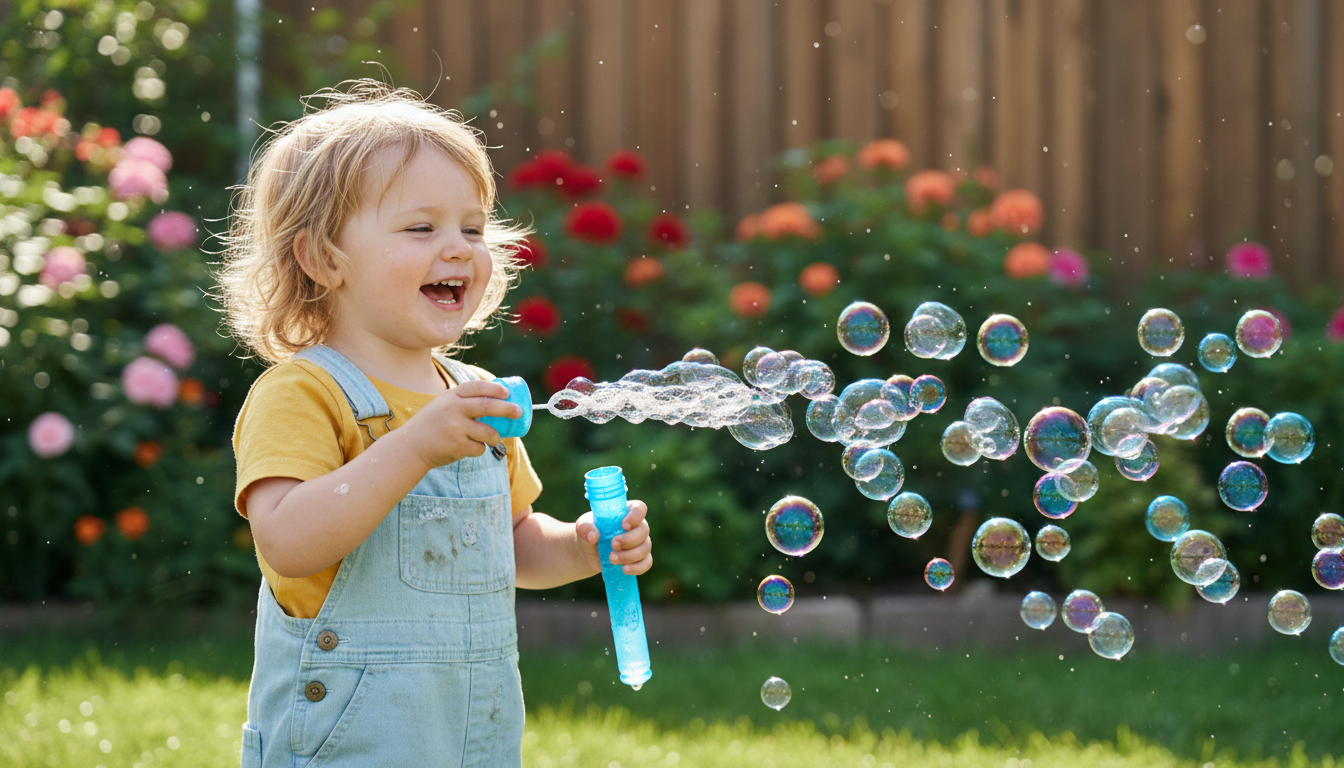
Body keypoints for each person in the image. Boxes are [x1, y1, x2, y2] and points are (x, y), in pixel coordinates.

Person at [215, 79, 653, 767]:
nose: (459, 248)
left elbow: (508, 543)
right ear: (323, 258)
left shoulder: (473, 393)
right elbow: (289, 542)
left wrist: (579, 545)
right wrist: (413, 446)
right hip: (348, 743)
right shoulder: (301, 393)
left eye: (472, 229)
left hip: (471, 736)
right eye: (422, 228)